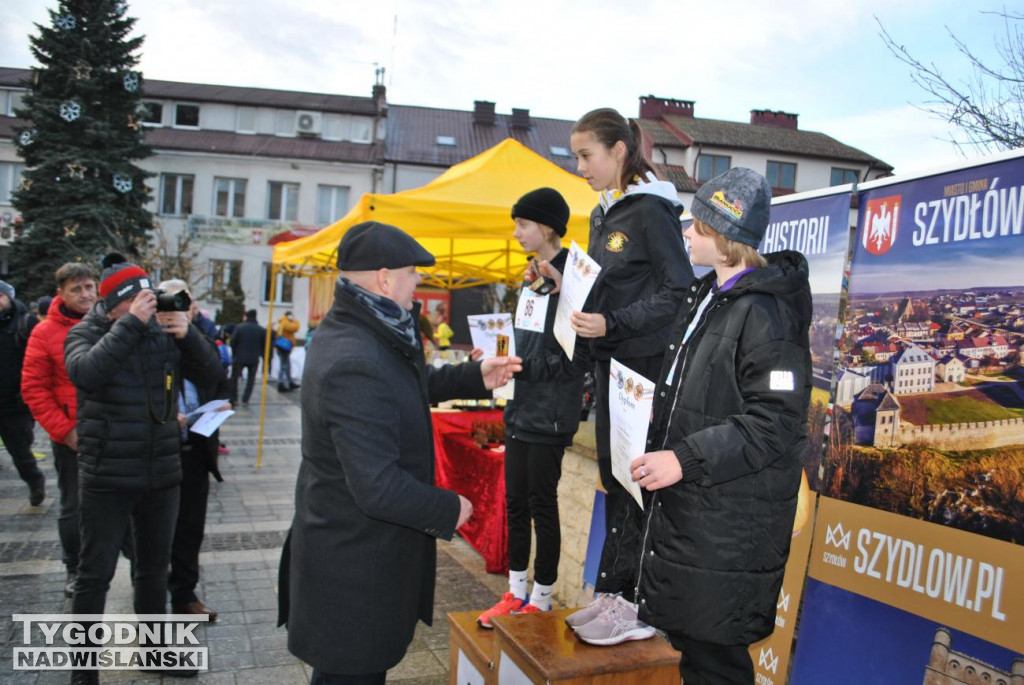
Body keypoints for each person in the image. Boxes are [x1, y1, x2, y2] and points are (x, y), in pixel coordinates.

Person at [278, 221, 521, 685]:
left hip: (357, 561)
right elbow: (377, 487)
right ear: (385, 278)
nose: (418, 286)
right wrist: (451, 507)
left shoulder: (364, 329)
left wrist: (475, 376)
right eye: (413, 275)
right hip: (353, 571)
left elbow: (405, 384)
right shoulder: (355, 356)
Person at [628, 168, 811, 682]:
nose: (686, 232)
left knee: (716, 665)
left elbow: (774, 421)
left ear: (726, 237)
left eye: (699, 226)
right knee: (697, 655)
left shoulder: (766, 315)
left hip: (729, 529)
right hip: (699, 519)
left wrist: (682, 458)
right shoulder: (710, 297)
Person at [541, 108, 693, 643]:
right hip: (611, 367)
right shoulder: (602, 214)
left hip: (645, 373)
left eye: (587, 155)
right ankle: (613, 592)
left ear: (620, 151)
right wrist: (571, 294)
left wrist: (615, 321)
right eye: (576, 156)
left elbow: (678, 293)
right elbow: (609, 291)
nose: (579, 166)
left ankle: (637, 605)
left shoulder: (652, 212)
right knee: (615, 479)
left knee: (637, 483)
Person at [65, 260, 223, 684]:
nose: (147, 307)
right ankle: (83, 671)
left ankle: (155, 653)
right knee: (94, 574)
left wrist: (188, 335)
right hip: (108, 476)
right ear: (116, 304)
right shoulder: (87, 332)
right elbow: (86, 374)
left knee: (154, 571)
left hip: (161, 474)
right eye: (138, 301)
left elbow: (212, 374)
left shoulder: (162, 333)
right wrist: (131, 326)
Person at [476, 188, 585, 628]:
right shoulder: (532, 277)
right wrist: (494, 354)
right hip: (520, 409)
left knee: (543, 505)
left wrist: (523, 367)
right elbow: (522, 337)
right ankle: (515, 591)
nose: (516, 232)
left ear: (546, 227)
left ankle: (541, 598)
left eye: (522, 224)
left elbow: (576, 358)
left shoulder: (573, 280)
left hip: (550, 414)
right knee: (515, 503)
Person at [21, 263, 97, 596]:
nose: (85, 295)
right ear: (61, 293)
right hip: (72, 437)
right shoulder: (44, 332)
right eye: (76, 289)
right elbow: (34, 388)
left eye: (89, 287)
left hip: (111, 431)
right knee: (74, 505)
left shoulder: (108, 324)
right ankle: (75, 568)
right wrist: (65, 431)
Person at [157, 279, 231, 621]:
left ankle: (185, 594)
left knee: (189, 529)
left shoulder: (199, 339)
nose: (178, 308)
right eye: (171, 300)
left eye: (184, 300)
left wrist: (217, 407)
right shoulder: (148, 338)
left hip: (196, 450)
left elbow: (217, 376)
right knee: (154, 535)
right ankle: (153, 596)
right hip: (158, 454)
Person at [0, 279, 45, 506]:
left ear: (9, 297)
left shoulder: (25, 323)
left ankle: (35, 482)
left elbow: (40, 359)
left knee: (20, 452)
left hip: (16, 404)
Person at [230, 309, 266, 406]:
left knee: (234, 379)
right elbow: (265, 346)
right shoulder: (261, 330)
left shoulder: (240, 327)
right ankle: (245, 399)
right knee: (251, 380)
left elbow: (232, 341)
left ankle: (234, 398)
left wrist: (235, 353)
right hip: (254, 359)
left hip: (239, 357)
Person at [275, 310, 300, 392]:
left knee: (287, 365)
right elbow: (294, 327)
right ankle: (281, 383)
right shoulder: (285, 322)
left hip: (285, 347)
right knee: (284, 365)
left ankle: (289, 382)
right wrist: (295, 321)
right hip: (283, 347)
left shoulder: (283, 321)